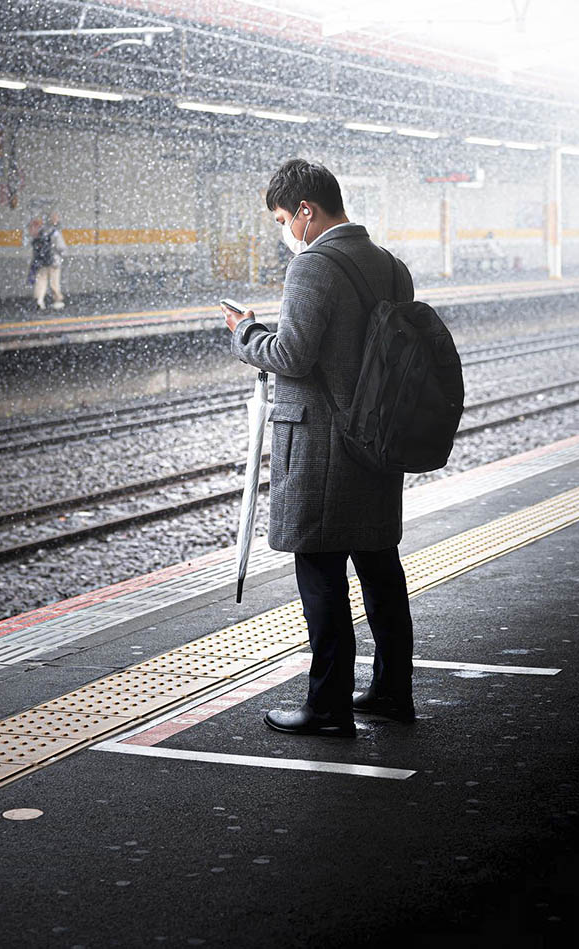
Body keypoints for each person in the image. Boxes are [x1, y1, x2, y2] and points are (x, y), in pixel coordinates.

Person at [220, 159, 416, 738]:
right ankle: (390, 691)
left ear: (306, 210)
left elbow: (292, 356)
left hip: (323, 448)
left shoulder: (313, 266)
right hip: (377, 441)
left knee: (321, 574)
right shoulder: (392, 267)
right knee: (380, 568)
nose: (287, 229)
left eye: (285, 217)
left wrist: (245, 332)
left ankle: (328, 707)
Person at [30, 212, 66, 310]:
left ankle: (39, 300)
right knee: (54, 281)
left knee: (41, 280)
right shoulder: (55, 232)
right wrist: (61, 255)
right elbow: (61, 247)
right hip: (54, 260)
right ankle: (57, 300)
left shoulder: (42, 231)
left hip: (42, 260)